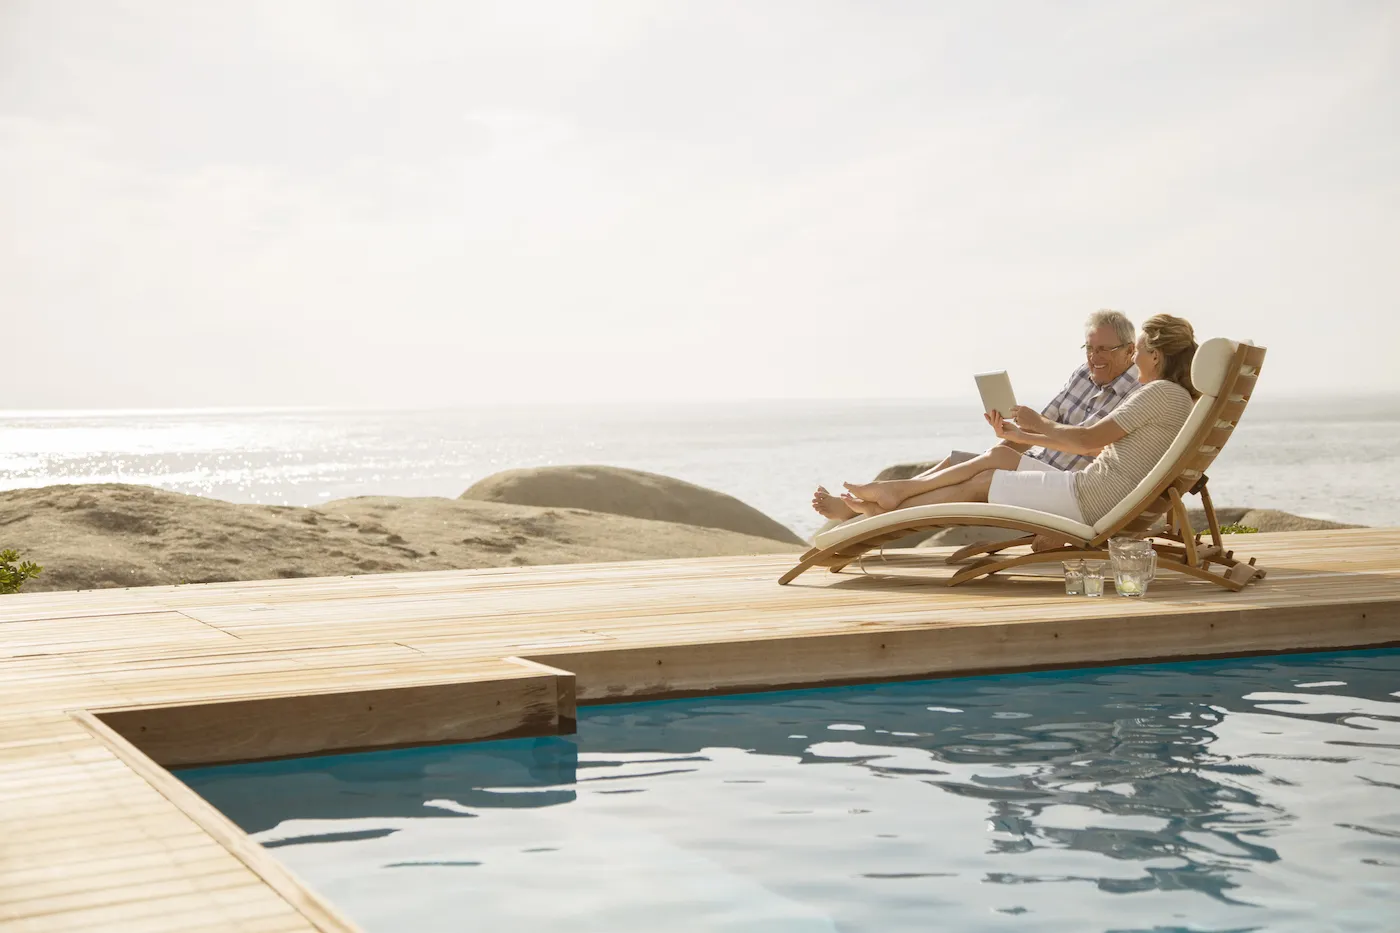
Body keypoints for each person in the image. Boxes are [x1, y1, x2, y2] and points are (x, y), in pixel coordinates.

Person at [834, 314, 1199, 526]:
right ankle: (896, 494)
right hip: (1094, 490)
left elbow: (1089, 441)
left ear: (1155, 355)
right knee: (1003, 457)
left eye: (1139, 352)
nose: (1135, 361)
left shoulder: (1159, 393)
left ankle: (888, 511)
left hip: (1091, 498)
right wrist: (1028, 433)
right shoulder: (1174, 396)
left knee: (986, 481)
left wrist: (1038, 426)